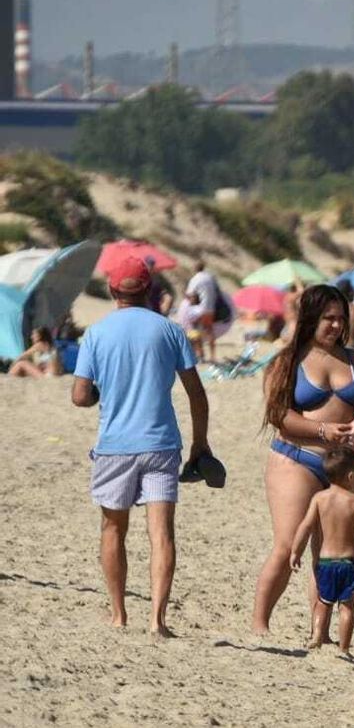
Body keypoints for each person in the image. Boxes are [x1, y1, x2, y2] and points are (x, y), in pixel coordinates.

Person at [71, 256, 212, 636]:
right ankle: (157, 621)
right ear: (150, 290)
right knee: (161, 534)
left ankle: (118, 615)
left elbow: (80, 396)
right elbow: (197, 395)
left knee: (113, 529)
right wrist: (200, 443)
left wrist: (101, 391)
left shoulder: (97, 334)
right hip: (161, 444)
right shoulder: (170, 332)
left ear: (113, 291)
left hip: (115, 445)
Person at [250, 284, 354, 637]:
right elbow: (278, 415)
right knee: (290, 543)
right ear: (310, 319)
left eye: (340, 319)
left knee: (333, 554)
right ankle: (260, 622)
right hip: (297, 459)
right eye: (328, 319)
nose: (336, 326)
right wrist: (323, 431)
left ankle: (318, 632)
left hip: (344, 466)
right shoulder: (287, 360)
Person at [289, 446, 354, 653]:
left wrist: (295, 552)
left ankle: (317, 635)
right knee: (346, 608)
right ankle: (344, 647)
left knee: (322, 603)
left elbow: (306, 526)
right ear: (352, 476)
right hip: (348, 563)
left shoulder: (319, 498)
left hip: (325, 562)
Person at [184, 259, 221, 362]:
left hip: (199, 309)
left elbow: (190, 294)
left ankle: (200, 355)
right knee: (209, 331)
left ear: (195, 268)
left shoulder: (195, 279)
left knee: (195, 330)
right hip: (211, 308)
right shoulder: (210, 277)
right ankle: (213, 356)